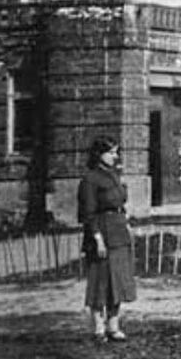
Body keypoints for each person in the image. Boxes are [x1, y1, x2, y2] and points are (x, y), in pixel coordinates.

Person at [77, 136, 136, 344]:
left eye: (116, 152)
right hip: (102, 232)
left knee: (118, 280)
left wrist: (126, 223)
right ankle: (98, 327)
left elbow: (121, 202)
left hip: (119, 231)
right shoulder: (91, 179)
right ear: (98, 154)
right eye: (111, 152)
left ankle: (114, 325)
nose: (115, 156)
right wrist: (97, 239)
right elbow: (88, 213)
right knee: (100, 280)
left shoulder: (114, 175)